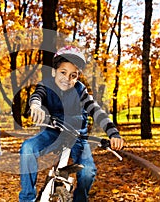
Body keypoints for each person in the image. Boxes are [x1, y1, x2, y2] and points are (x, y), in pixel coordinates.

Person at [19, 45, 124, 202]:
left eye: (73, 75)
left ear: (77, 77)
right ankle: (27, 198)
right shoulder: (46, 85)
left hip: (77, 137)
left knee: (88, 172)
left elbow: (96, 111)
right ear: (54, 71)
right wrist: (35, 106)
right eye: (63, 72)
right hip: (53, 132)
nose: (67, 79)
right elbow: (37, 96)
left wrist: (113, 132)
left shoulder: (80, 91)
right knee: (28, 148)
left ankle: (79, 199)